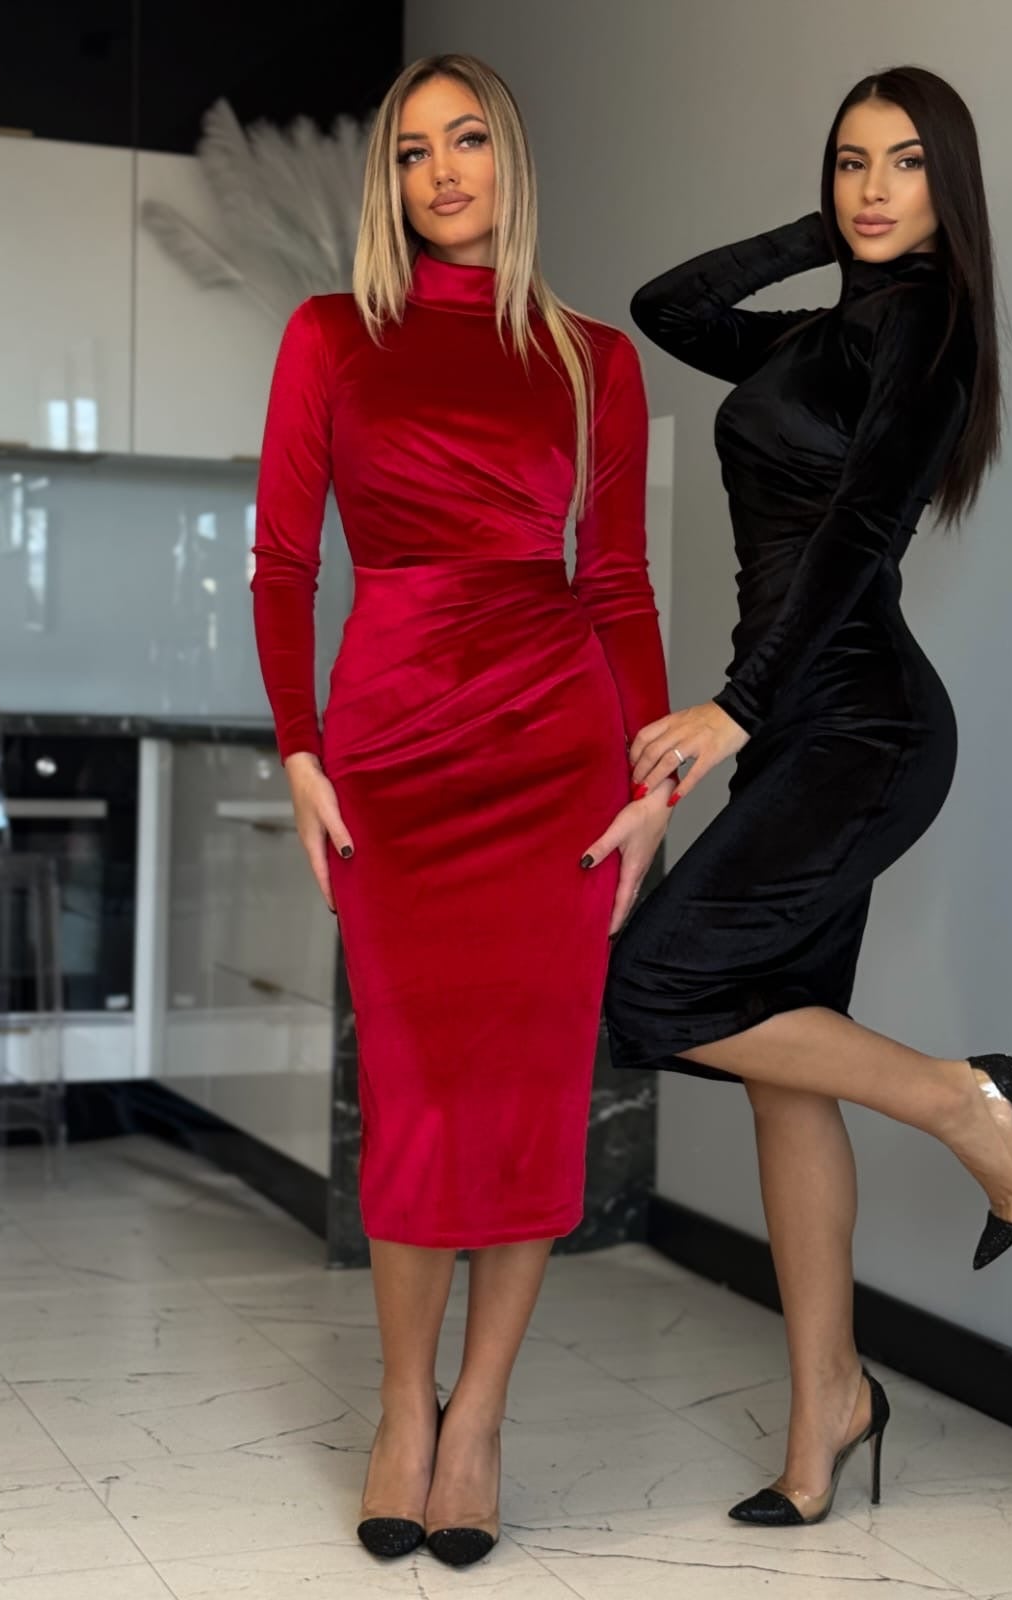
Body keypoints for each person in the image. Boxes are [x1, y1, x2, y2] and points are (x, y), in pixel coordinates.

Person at [603, 66, 1012, 1528]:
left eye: (906, 165)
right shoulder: (829, 327)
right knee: (780, 1065)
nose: (875, 189)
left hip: (858, 727)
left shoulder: (929, 324)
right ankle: (828, 1403)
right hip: (807, 731)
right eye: (851, 163)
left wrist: (732, 707)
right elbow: (670, 306)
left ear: (954, 187)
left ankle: (964, 1098)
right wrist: (824, 234)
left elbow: (860, 534)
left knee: (651, 986)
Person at [251, 53, 670, 1568]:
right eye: (413, 150)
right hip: (391, 754)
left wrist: (651, 784)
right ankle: (400, 1404)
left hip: (555, 753)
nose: (442, 171)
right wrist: (301, 749)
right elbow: (285, 564)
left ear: (511, 161)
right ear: (392, 181)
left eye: (468, 139)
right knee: (417, 1089)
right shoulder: (330, 336)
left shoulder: (593, 358)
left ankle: (478, 1417)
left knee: (530, 1093)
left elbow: (616, 582)